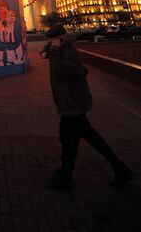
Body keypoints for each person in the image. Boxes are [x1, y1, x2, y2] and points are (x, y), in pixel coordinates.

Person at [41, 24, 133, 191]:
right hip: (70, 102)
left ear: (59, 38)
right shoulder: (61, 47)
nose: (51, 42)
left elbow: (59, 72)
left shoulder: (67, 50)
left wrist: (53, 53)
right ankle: (119, 168)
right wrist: (47, 50)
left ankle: (65, 177)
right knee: (81, 137)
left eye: (52, 39)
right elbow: (51, 54)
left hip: (73, 102)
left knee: (70, 142)